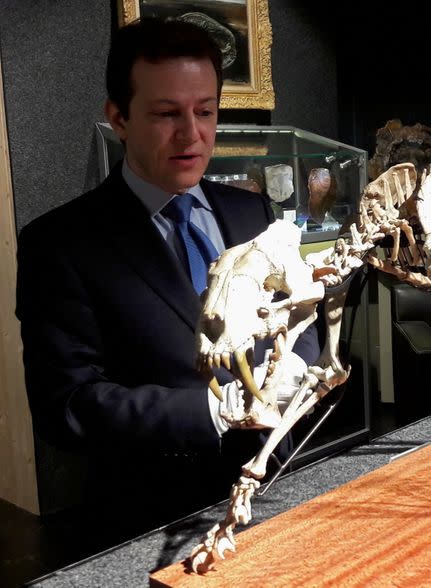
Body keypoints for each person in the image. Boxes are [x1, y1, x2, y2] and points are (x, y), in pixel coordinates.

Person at [15, 18, 318, 540]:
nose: (192, 134)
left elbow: (302, 315)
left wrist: (293, 371)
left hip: (285, 486)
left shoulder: (253, 212)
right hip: (156, 518)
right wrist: (214, 411)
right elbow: (66, 406)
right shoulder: (60, 243)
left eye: (205, 111)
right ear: (119, 119)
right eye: (165, 114)